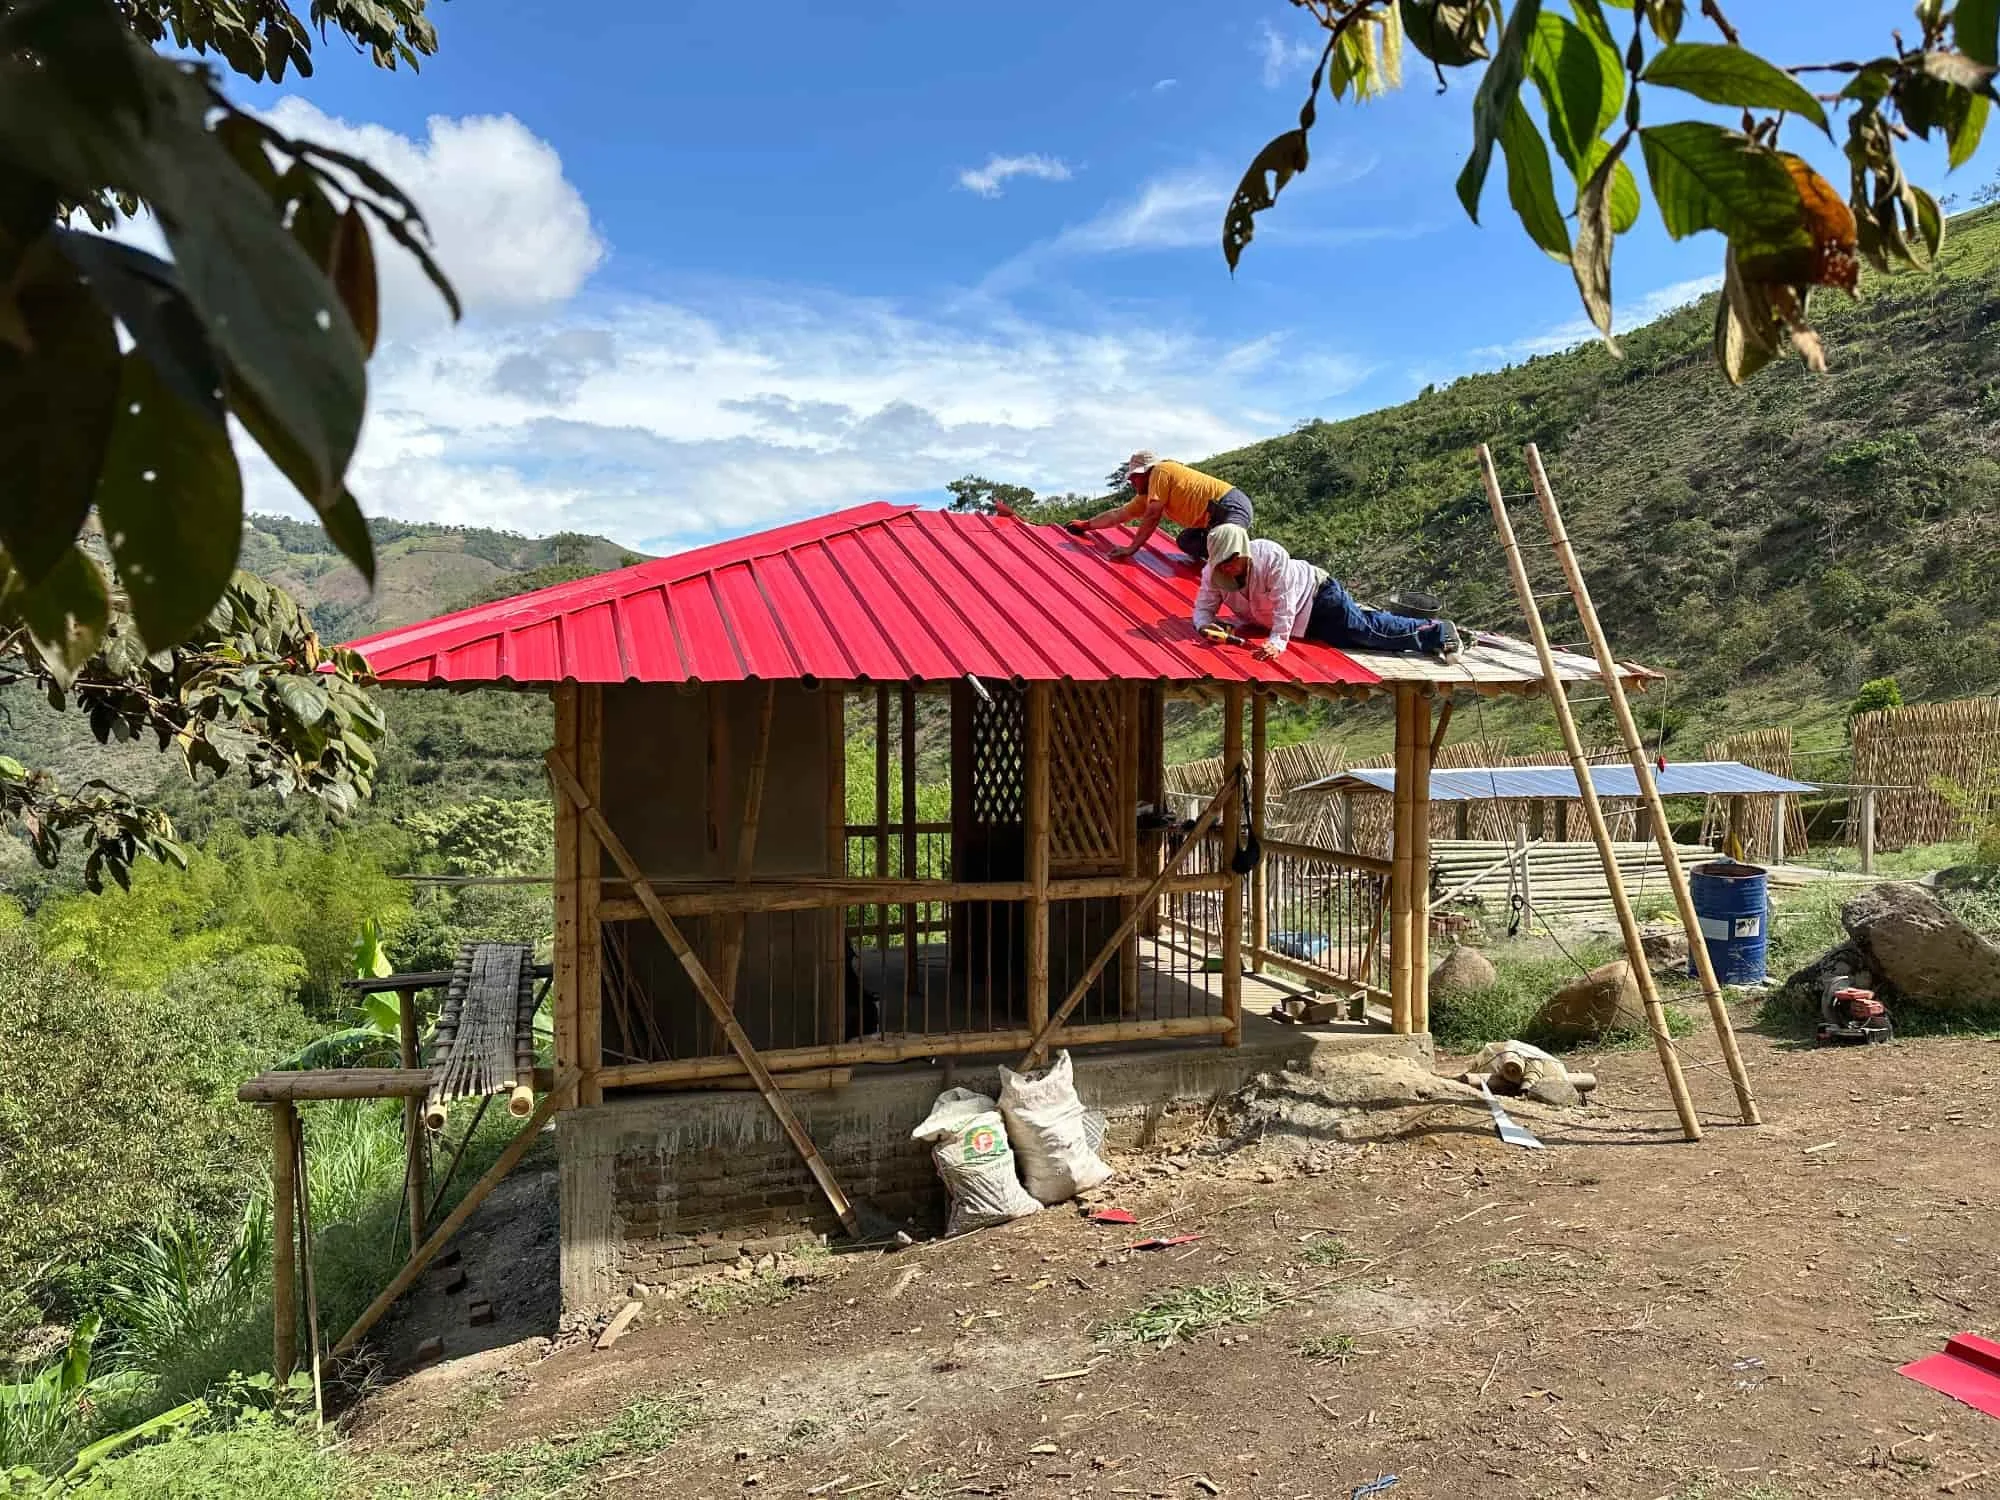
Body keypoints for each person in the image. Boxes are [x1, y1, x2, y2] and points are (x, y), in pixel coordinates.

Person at [1193, 525, 1462, 662]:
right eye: (1221, 564)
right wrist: (1205, 626)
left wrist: (1277, 642)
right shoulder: (1213, 573)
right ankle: (1420, 628)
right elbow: (1204, 607)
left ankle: (1438, 631)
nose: (1227, 568)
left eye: (1231, 561)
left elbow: (1284, 603)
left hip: (1317, 598)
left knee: (1366, 634)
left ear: (1243, 551)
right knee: (1360, 632)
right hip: (1300, 622)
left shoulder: (1270, 556)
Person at [1064, 451, 1253, 562]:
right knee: (1186, 542)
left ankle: (1246, 562)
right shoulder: (1147, 496)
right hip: (1210, 522)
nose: (1132, 483)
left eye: (1134, 477)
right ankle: (1222, 562)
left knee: (1229, 554)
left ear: (1146, 472)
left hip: (1228, 506)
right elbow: (1118, 515)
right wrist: (1086, 525)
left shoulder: (1161, 470)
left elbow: (1153, 515)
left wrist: (1132, 548)